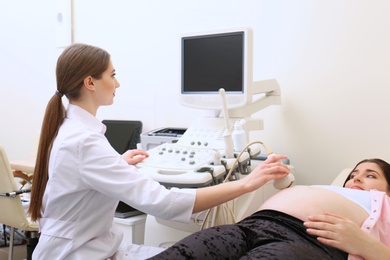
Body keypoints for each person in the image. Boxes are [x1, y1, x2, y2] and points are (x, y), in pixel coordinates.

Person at [27, 43, 290, 259]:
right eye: (113, 75)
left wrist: (118, 163)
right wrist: (248, 184)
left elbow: (77, 175)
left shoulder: (72, 129)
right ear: (90, 83)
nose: (117, 84)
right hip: (77, 252)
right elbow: (164, 203)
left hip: (88, 246)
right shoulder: (84, 141)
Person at [149, 158, 390, 260]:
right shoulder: (330, 189)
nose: (356, 179)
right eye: (353, 174)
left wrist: (367, 245)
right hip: (249, 227)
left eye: (370, 176)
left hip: (306, 241)